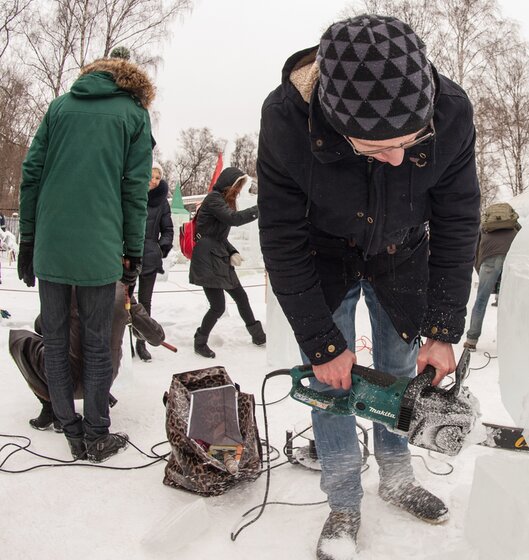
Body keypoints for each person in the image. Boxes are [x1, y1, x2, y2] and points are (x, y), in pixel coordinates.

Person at [256, 15, 480, 560]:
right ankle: (343, 499)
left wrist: (443, 329)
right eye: (377, 147)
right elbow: (281, 237)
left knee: (402, 373)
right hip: (322, 255)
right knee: (332, 382)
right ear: (337, 123)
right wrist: (321, 343)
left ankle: (397, 477)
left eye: (410, 141)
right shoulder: (286, 119)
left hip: (403, 253)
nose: (398, 158)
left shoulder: (451, 111)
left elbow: (457, 221)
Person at [17, 55, 154, 462]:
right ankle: (96, 435)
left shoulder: (60, 106)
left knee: (55, 341)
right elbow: (135, 191)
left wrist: (29, 239)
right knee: (96, 345)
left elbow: (31, 174)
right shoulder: (134, 114)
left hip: (52, 244)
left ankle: (69, 428)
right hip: (100, 244)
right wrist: (133, 250)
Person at [9, 283, 165, 433]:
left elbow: (40, 326)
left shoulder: (69, 288)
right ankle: (92, 403)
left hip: (67, 380)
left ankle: (51, 407)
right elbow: (156, 337)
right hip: (105, 377)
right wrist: (128, 315)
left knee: (19, 340)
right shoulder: (123, 294)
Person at [189, 167, 265, 358]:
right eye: (237, 186)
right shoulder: (213, 199)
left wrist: (232, 251)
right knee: (218, 306)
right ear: (228, 184)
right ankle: (200, 342)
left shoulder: (221, 201)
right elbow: (233, 219)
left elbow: (218, 236)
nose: (238, 191)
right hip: (207, 259)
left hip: (219, 257)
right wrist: (262, 207)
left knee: (241, 297)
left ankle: (258, 336)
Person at [131, 161, 173, 362]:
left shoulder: (162, 202)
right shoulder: (131, 193)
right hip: (128, 256)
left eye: (158, 177)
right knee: (125, 302)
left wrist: (161, 247)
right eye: (151, 176)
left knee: (145, 302)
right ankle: (125, 340)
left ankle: (141, 342)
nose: (154, 181)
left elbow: (168, 229)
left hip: (150, 256)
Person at [463, 205, 521, 351]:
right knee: (511, 300)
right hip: (510, 257)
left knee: (481, 300)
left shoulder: (484, 225)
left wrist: (480, 269)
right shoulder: (514, 223)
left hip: (489, 258)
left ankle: (471, 340)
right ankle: (510, 340)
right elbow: (523, 240)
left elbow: (475, 249)